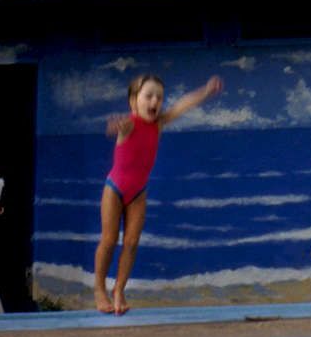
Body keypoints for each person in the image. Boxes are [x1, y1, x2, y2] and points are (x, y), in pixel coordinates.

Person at [94, 73, 223, 314]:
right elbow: (119, 128)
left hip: (138, 192)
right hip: (114, 189)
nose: (155, 101)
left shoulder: (159, 124)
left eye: (159, 97)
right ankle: (99, 289)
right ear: (134, 101)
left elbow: (183, 105)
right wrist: (117, 127)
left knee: (131, 243)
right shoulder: (130, 123)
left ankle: (119, 290)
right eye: (148, 96)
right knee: (109, 240)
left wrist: (205, 91)